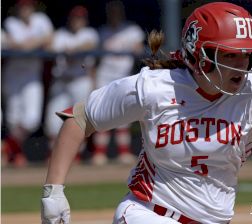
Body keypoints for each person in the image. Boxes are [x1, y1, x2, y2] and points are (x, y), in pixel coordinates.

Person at [41, 2, 252, 224]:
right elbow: (79, 118)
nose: (243, 65)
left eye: (247, 54)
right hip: (147, 214)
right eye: (230, 55)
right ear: (199, 57)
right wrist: (53, 192)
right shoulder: (155, 87)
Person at [91, 0, 145, 166]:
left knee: (124, 115)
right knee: (103, 113)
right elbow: (94, 60)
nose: (114, 14)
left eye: (116, 11)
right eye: (111, 11)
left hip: (123, 76)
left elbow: (139, 48)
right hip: (104, 76)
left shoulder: (132, 30)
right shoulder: (102, 31)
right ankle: (99, 153)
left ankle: (123, 152)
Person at [2, 0, 53, 167]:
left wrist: (28, 45)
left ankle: (6, 147)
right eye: (23, 6)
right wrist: (36, 42)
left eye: (28, 6)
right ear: (18, 8)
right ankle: (16, 155)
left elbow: (50, 40)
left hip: (32, 76)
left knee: (32, 119)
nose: (26, 9)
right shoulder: (11, 23)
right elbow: (15, 44)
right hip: (14, 75)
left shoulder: (41, 19)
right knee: (13, 120)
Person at [44, 5, 98, 159]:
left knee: (79, 121)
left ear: (85, 20)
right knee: (53, 122)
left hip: (80, 81)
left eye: (80, 18)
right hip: (61, 81)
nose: (77, 21)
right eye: (75, 18)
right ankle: (53, 155)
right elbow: (48, 47)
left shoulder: (89, 33)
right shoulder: (61, 34)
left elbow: (89, 44)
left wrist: (70, 50)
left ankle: (76, 156)